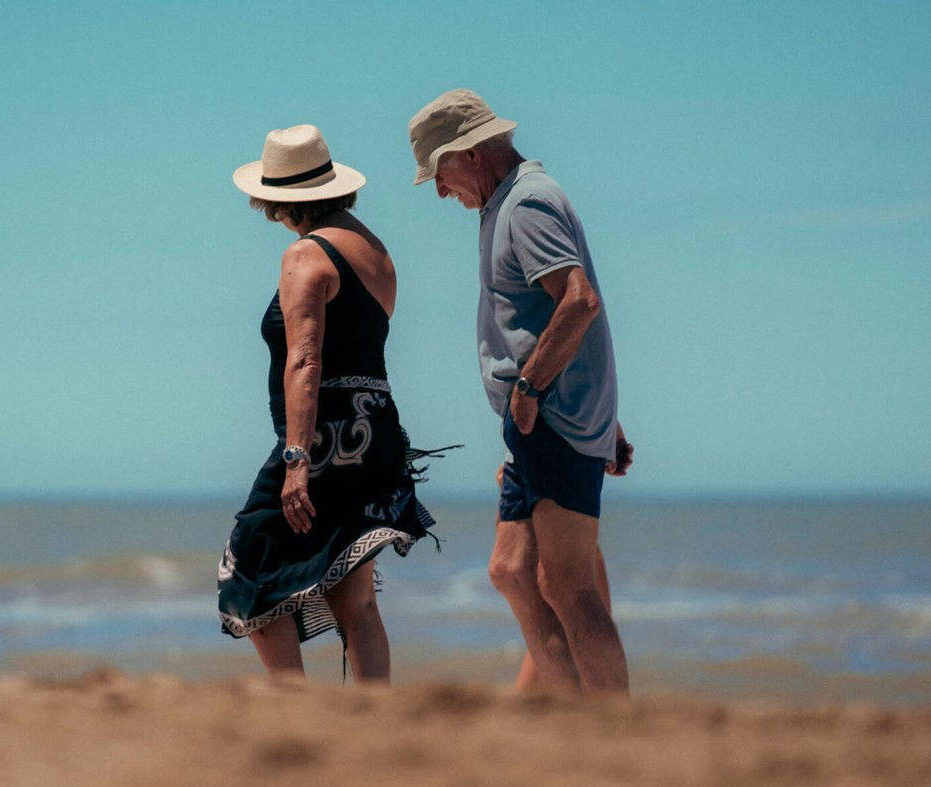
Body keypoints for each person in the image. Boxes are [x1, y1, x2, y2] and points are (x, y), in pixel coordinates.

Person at [408, 89, 633, 696]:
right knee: (510, 570)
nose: (438, 189)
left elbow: (580, 301)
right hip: (544, 418)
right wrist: (606, 420)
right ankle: (570, 714)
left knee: (568, 584)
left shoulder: (527, 203)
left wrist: (532, 388)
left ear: (473, 155)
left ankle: (615, 729)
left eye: (440, 171)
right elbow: (556, 314)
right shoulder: (504, 205)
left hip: (550, 416)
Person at [218, 124, 443, 683]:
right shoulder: (375, 251)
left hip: (326, 440)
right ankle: (373, 722)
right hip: (376, 431)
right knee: (355, 594)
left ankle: (293, 709)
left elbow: (307, 361)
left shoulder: (306, 255)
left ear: (277, 198)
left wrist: (296, 459)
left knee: (249, 570)